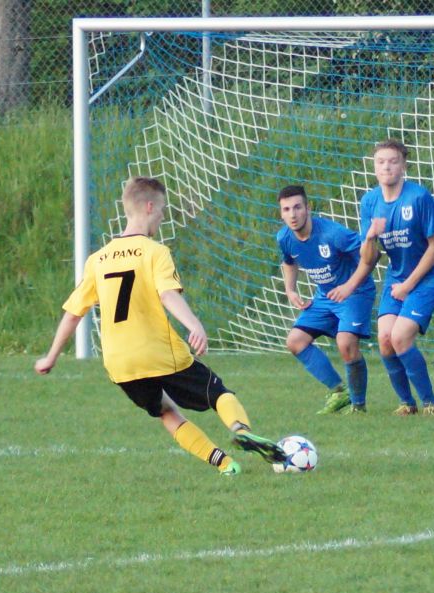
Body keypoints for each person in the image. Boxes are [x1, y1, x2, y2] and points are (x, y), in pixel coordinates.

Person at [34, 176, 284, 476]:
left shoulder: (97, 260)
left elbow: (74, 313)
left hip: (120, 364)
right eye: (163, 209)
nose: (163, 217)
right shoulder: (155, 252)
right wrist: (194, 324)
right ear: (149, 207)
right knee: (216, 392)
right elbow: (167, 294)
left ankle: (225, 464)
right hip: (157, 351)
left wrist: (51, 356)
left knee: (166, 411)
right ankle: (241, 429)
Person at [359, 139, 434, 415]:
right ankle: (407, 403)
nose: (386, 167)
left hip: (427, 277)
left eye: (393, 161)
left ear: (403, 166)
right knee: (385, 339)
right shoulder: (369, 201)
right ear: (374, 167)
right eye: (381, 162)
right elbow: (368, 258)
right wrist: (370, 237)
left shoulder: (418, 197)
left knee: (400, 337)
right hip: (396, 277)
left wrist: (409, 285)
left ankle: (431, 402)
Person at [277, 185, 376, 414]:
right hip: (325, 296)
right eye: (287, 209)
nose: (293, 214)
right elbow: (289, 262)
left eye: (297, 207)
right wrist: (290, 290)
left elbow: (371, 256)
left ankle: (358, 406)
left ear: (308, 208)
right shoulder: (284, 237)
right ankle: (339, 391)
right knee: (295, 341)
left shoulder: (333, 233)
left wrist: (349, 286)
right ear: (281, 214)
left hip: (355, 292)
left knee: (345, 343)